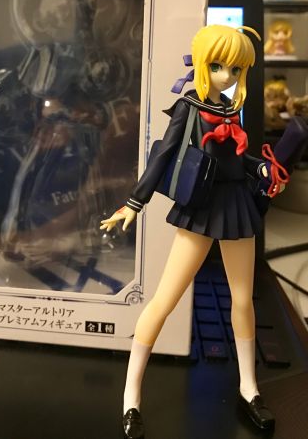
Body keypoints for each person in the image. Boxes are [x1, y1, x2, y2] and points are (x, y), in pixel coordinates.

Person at [101, 25, 276, 438]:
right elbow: (163, 154)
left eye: (236, 69)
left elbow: (237, 158)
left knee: (242, 301)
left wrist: (262, 168)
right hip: (200, 208)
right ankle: (131, 398)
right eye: (218, 66)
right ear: (201, 63)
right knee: (164, 300)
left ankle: (249, 388)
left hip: (236, 206)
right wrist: (134, 202)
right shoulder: (189, 106)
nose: (227, 75)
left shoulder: (231, 108)